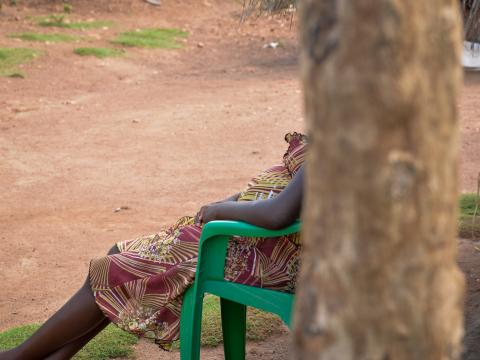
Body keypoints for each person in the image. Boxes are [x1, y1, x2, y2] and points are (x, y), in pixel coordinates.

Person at [0, 132, 307, 360]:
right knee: (119, 256)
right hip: (253, 243)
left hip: (258, 254)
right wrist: (233, 202)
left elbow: (277, 214)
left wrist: (219, 212)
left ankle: (18, 356)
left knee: (119, 269)